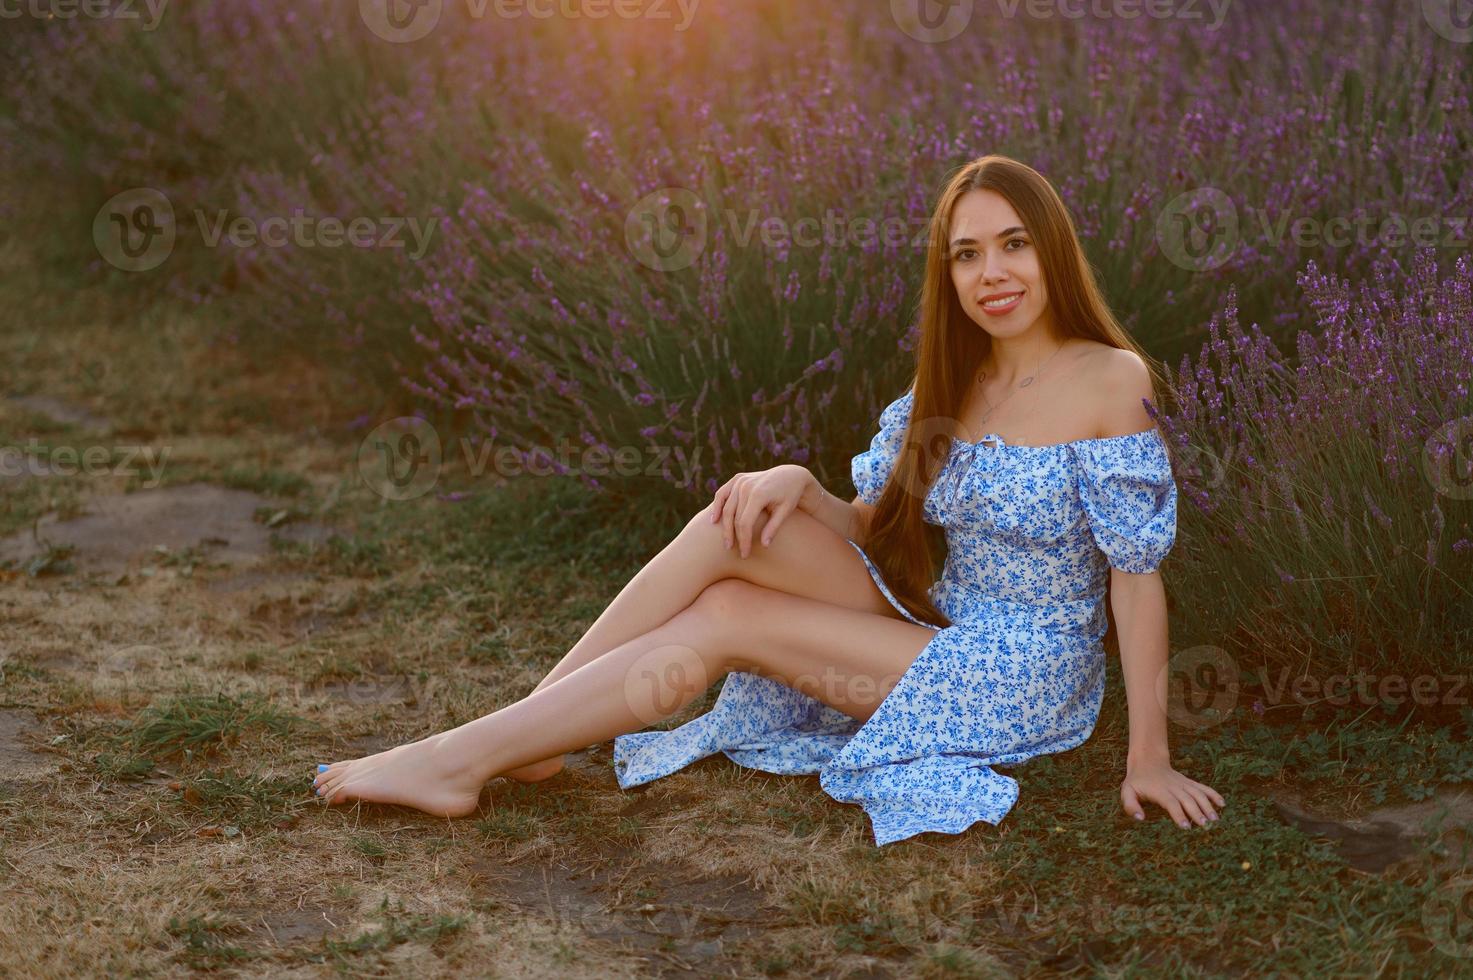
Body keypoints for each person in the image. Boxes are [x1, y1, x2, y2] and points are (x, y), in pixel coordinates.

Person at [312, 154, 1226, 845]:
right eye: (967, 254)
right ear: (946, 275)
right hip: (942, 623)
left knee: (728, 617)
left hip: (1023, 675)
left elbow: (1136, 580)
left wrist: (1149, 756)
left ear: (1051, 249)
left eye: (1013, 245)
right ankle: (532, 729)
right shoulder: (955, 377)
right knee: (740, 523)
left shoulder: (1111, 379)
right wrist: (800, 486)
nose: (992, 273)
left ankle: (459, 760)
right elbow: (876, 526)